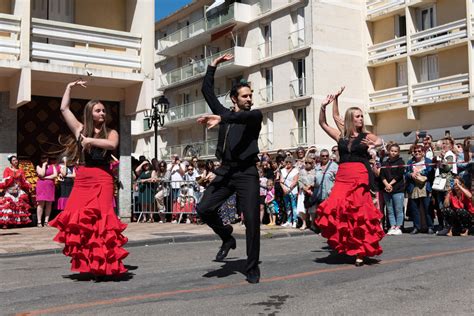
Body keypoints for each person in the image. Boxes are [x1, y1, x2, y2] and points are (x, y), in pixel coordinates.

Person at [49, 79, 128, 278]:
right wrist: (68, 87)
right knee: (78, 219)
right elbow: (64, 108)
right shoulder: (80, 129)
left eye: (103, 111)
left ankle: (105, 265)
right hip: (84, 178)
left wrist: (90, 141)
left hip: (103, 178)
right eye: (98, 110)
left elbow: (111, 146)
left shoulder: (112, 132)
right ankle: (87, 263)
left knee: (103, 219)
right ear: (90, 113)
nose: (102, 113)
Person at [196, 53, 263, 284]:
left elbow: (245, 118)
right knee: (203, 208)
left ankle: (252, 267)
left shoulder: (254, 116)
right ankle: (227, 237)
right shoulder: (224, 113)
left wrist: (222, 120)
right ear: (234, 99)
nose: (249, 99)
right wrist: (213, 66)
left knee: (252, 220)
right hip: (226, 171)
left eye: (250, 95)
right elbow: (207, 92)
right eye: (244, 96)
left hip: (247, 173)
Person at [317, 91, 385, 267]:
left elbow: (379, 140)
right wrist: (323, 106)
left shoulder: (365, 135)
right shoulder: (341, 136)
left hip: (360, 174)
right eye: (358, 116)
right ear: (351, 119)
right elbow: (323, 122)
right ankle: (348, 244)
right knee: (336, 206)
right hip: (343, 175)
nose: (361, 119)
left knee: (360, 212)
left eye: (362, 116)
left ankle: (361, 251)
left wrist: (373, 144)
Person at [405, 145, 435, 234]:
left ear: (423, 152)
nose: (417, 153)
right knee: (415, 209)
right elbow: (406, 174)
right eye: (415, 151)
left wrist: (420, 172)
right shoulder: (410, 162)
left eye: (419, 151)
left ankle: (430, 226)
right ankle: (416, 227)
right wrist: (411, 174)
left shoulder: (428, 161)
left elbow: (430, 172)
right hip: (413, 187)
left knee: (427, 208)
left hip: (425, 187)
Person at [380, 143, 405, 236]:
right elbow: (381, 175)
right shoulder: (385, 163)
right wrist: (386, 184)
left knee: (398, 209)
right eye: (392, 151)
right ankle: (392, 226)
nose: (393, 153)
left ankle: (399, 226)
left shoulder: (400, 162)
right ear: (388, 151)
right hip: (387, 189)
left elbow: (399, 175)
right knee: (390, 209)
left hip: (398, 189)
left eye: (395, 151)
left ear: (398, 152)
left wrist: (390, 184)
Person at [0, 155, 32, 228]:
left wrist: (27, 185)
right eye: (14, 160)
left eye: (16, 160)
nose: (15, 161)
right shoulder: (7, 169)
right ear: (11, 162)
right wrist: (11, 177)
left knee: (18, 205)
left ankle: (15, 222)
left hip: (18, 189)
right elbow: (5, 179)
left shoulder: (21, 170)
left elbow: (23, 180)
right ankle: (6, 223)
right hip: (9, 190)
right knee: (8, 206)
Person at [36, 154, 57, 227]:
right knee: (41, 203)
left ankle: (46, 221)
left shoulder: (52, 166)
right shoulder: (38, 166)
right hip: (41, 186)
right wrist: (44, 166)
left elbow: (55, 175)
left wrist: (46, 178)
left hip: (50, 186)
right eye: (43, 158)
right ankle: (39, 221)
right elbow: (41, 174)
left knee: (49, 204)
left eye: (46, 158)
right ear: (40, 159)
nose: (45, 160)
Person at [280, 156, 299, 228]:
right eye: (287, 162)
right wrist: (284, 189)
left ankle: (295, 221)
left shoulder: (295, 170)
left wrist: (289, 188)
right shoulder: (282, 170)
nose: (288, 163)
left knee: (294, 206)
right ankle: (289, 221)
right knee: (287, 206)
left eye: (289, 162)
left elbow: (295, 180)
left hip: (292, 191)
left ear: (292, 163)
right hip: (285, 191)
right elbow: (281, 181)